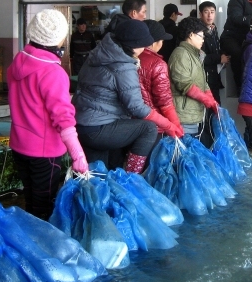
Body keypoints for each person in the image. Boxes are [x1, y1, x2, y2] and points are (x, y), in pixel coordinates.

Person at [8, 9, 89, 219]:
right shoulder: (53, 73)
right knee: (45, 206)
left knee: (32, 201)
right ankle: (42, 247)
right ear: (59, 37)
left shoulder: (17, 62)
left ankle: (30, 241)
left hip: (19, 146)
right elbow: (63, 119)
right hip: (44, 151)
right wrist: (78, 155)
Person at [73, 19, 182, 173]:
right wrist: (168, 124)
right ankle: (131, 177)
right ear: (134, 45)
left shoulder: (98, 54)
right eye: (144, 44)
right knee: (148, 128)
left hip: (82, 125)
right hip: (99, 129)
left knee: (98, 177)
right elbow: (137, 107)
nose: (145, 47)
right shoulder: (123, 66)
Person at [168, 17, 219, 142]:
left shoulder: (195, 54)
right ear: (191, 35)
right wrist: (205, 99)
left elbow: (201, 80)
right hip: (183, 114)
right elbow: (183, 83)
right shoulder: (181, 54)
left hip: (193, 112)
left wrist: (211, 98)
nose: (203, 39)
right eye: (201, 36)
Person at [138, 20, 184, 138]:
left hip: (131, 123)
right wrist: (176, 125)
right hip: (154, 126)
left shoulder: (129, 58)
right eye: (162, 40)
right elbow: (164, 101)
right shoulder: (158, 64)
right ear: (154, 42)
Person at [199, 1, 229, 104]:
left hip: (214, 75)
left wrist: (222, 56)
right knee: (211, 108)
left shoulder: (213, 29)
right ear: (200, 14)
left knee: (216, 107)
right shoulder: (198, 32)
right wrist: (219, 58)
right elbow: (199, 58)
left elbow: (215, 48)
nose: (209, 15)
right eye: (206, 12)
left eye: (212, 12)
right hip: (204, 78)